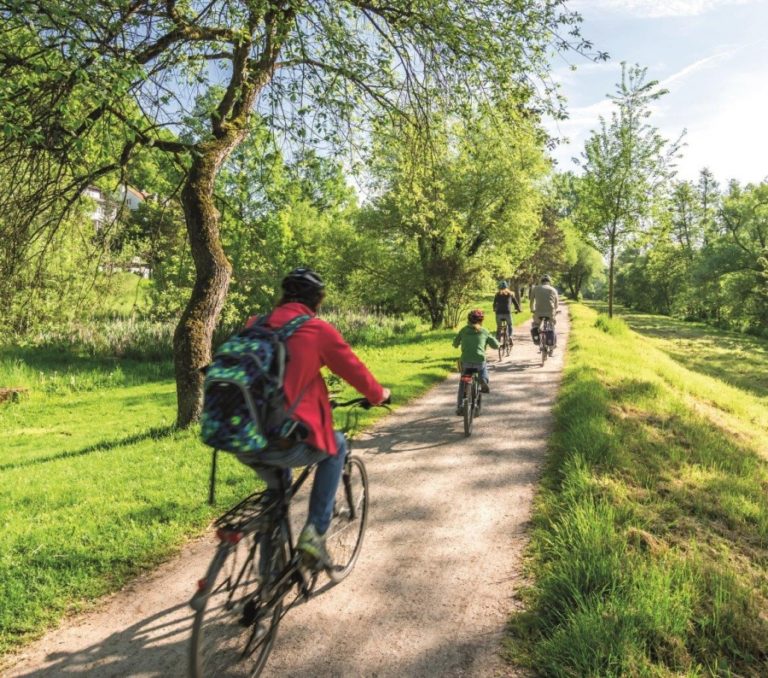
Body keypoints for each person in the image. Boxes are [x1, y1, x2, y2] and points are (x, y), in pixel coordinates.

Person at [240, 267, 390, 567]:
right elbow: (355, 371)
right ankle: (314, 534)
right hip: (284, 440)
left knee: (277, 494)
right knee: (336, 446)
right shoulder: (317, 330)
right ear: (317, 300)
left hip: (240, 436)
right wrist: (380, 395)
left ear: (283, 296)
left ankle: (268, 577)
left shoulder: (255, 324)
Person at [452, 309, 499, 416]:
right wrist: (498, 344)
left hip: (466, 362)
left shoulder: (463, 330)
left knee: (462, 384)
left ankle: (460, 406)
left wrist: (457, 344)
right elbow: (495, 345)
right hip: (479, 361)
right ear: (481, 320)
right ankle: (483, 380)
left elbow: (455, 344)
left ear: (468, 320)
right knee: (482, 367)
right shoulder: (485, 331)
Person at [529, 274, 560, 348]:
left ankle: (538, 339)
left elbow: (531, 301)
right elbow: (556, 304)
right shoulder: (553, 290)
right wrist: (554, 310)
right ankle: (553, 343)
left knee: (536, 325)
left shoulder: (535, 288)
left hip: (538, 313)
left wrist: (532, 309)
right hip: (550, 313)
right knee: (552, 325)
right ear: (549, 281)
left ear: (541, 281)